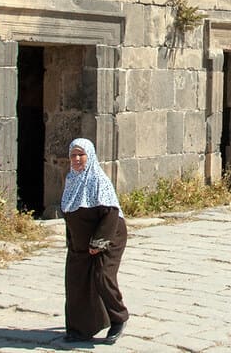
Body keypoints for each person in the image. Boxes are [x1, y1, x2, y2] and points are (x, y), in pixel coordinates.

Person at [61, 137, 129, 344]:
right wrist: (72, 241)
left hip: (109, 236)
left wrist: (98, 242)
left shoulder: (98, 180)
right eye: (73, 155)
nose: (77, 159)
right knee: (76, 280)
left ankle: (118, 318)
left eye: (81, 155)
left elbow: (110, 213)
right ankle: (79, 329)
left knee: (102, 276)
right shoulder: (71, 180)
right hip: (80, 241)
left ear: (89, 156)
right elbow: (69, 214)